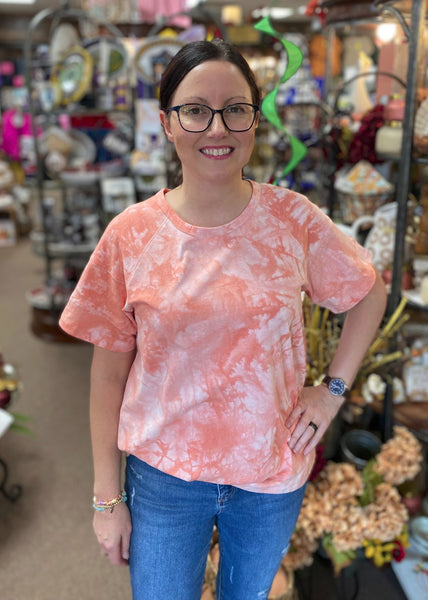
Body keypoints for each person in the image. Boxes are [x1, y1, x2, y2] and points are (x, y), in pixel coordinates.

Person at [59, 38, 387, 600]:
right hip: (164, 477)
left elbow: (368, 291)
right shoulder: (131, 235)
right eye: (195, 110)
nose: (218, 129)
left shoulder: (292, 219)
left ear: (255, 121)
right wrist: (106, 498)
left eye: (236, 109)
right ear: (167, 122)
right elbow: (108, 377)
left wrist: (333, 391)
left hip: (270, 471)